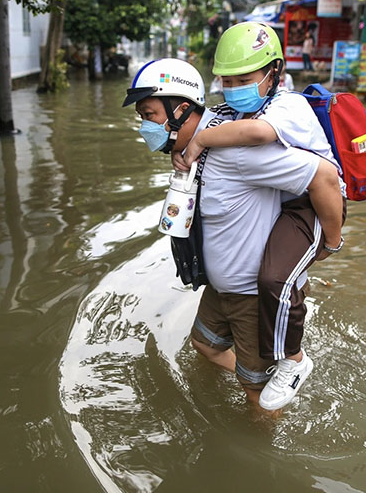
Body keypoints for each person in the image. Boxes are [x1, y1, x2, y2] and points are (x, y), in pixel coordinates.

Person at [123, 55, 344, 411]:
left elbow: (324, 177)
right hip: (220, 288)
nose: (144, 128)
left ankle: (266, 420)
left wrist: (331, 243)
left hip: (252, 299)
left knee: (258, 398)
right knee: (206, 346)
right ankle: (257, 378)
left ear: (180, 110)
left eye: (149, 116)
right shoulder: (200, 144)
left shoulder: (236, 153)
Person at [181, 22, 345, 411]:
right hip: (287, 199)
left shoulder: (287, 105)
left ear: (275, 72)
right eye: (226, 78)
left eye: (245, 77)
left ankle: (293, 361)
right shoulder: (236, 111)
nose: (233, 85)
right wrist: (185, 148)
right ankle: (263, 371)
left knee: (273, 277)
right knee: (214, 337)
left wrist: (333, 241)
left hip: (315, 201)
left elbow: (256, 134)